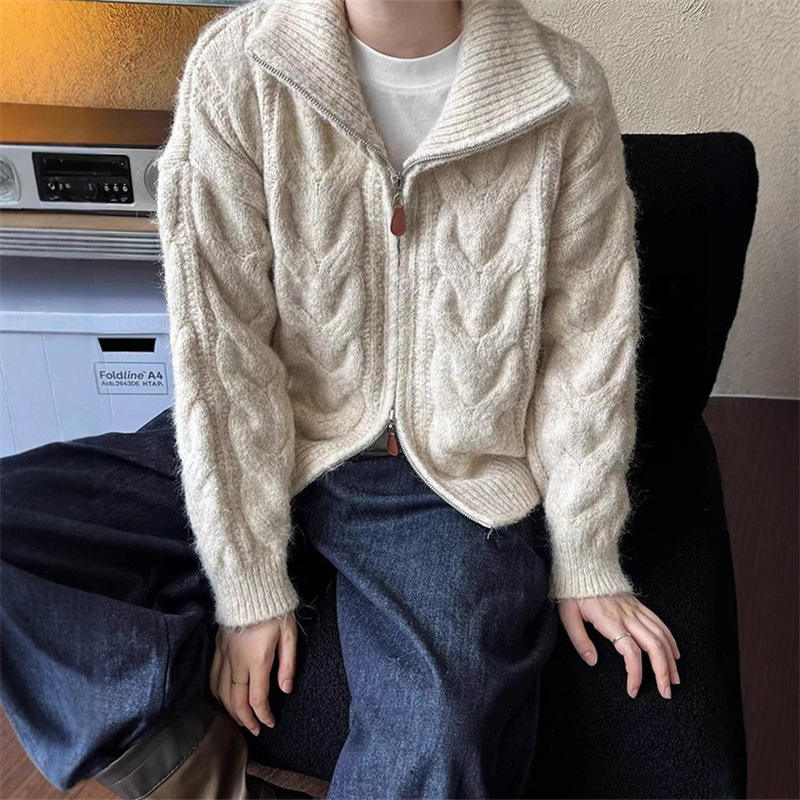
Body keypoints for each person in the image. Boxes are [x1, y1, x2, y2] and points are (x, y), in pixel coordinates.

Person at [0, 0, 681, 798]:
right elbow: (223, 346)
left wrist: (587, 553)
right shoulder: (235, 69)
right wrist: (247, 586)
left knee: (444, 728)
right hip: (267, 430)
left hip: (448, 478)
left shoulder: (562, 91)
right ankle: (194, 770)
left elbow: (587, 342)